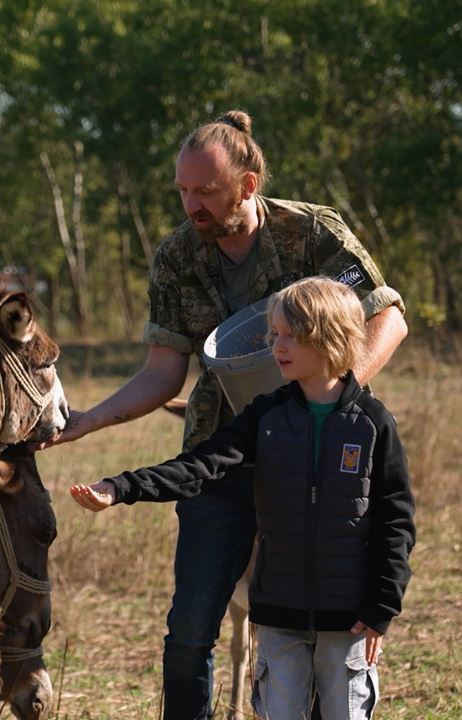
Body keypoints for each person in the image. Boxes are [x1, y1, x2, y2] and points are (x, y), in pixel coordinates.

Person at [37, 110, 408, 719]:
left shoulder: (312, 232)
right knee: (189, 631)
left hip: (311, 459)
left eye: (205, 191)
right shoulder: (177, 257)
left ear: (248, 184)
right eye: (182, 190)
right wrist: (87, 422)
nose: (191, 205)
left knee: (319, 624)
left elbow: (387, 316)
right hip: (223, 449)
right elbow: (164, 372)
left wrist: (327, 401)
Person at [70, 277, 416, 719]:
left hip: (348, 624)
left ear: (329, 338)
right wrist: (120, 487)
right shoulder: (266, 416)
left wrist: (381, 608)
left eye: (292, 335)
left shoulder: (373, 424)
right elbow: (200, 465)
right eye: (275, 335)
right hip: (277, 621)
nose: (277, 347)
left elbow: (396, 522)